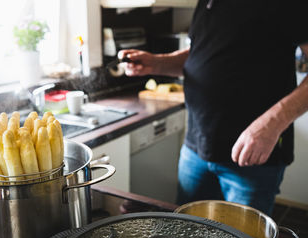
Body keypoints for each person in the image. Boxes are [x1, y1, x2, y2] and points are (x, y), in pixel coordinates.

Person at [119, 0, 308, 215]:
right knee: (188, 237)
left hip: (251, 155)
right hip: (196, 149)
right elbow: (200, 54)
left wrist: (271, 125)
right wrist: (156, 63)